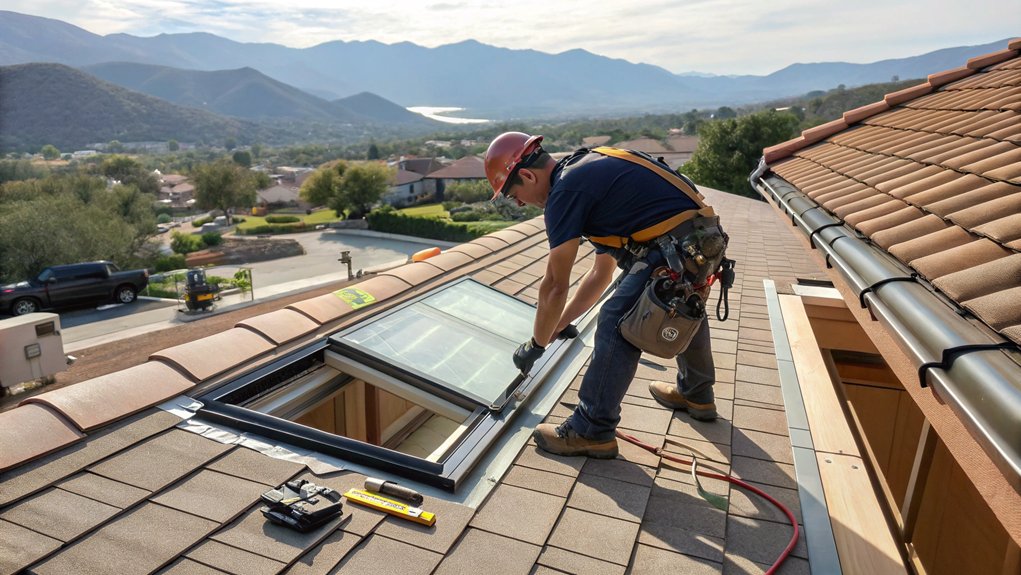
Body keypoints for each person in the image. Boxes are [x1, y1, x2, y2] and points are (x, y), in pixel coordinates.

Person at [483, 131, 722, 458]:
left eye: (514, 194)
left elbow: (555, 284)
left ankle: (591, 429)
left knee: (615, 319)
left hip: (677, 247)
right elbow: (600, 274)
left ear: (526, 175)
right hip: (699, 240)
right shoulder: (587, 169)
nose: (520, 203)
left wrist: (535, 344)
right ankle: (697, 393)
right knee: (680, 303)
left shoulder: (565, 193)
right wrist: (556, 327)